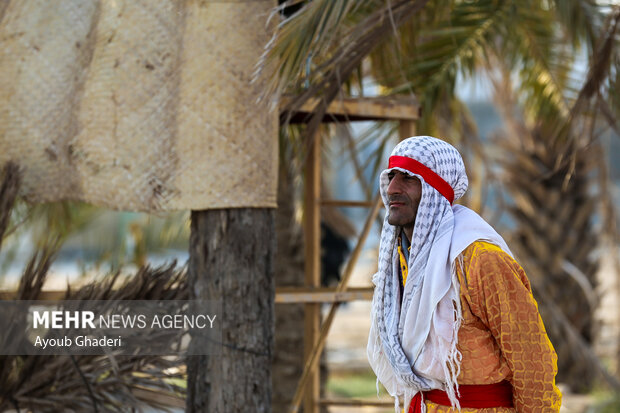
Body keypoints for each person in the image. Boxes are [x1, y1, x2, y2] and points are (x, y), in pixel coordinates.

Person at [367, 136, 562, 412]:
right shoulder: (397, 261)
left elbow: (532, 363)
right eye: (392, 176)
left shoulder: (481, 261)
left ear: (435, 189)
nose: (393, 188)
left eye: (409, 178)